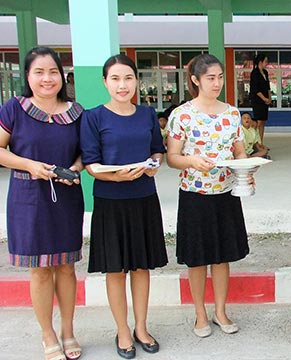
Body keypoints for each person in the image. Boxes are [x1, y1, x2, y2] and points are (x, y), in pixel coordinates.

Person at [81, 54, 167, 359]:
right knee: (116, 270)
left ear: (136, 81)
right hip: (110, 201)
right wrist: (115, 176)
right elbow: (90, 163)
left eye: (128, 78)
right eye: (115, 79)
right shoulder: (93, 117)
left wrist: (154, 165)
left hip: (144, 197)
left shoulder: (146, 114)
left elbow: (157, 151)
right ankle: (122, 330)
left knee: (141, 267)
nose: (122, 85)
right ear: (105, 82)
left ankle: (141, 327)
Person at [0, 47, 84, 360]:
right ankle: (47, 334)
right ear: (28, 76)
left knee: (65, 266)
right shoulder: (14, 109)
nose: (47, 79)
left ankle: (68, 330)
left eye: (53, 72)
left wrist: (75, 168)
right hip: (28, 197)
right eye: (39, 72)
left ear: (62, 76)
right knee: (40, 270)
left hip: (65, 196)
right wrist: (29, 165)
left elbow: (84, 152)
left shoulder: (76, 112)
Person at [166, 54, 250, 339]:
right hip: (195, 195)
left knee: (223, 256)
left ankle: (221, 310)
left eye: (220, 77)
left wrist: (246, 167)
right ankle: (200, 313)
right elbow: (172, 157)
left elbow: (239, 150)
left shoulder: (232, 114)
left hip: (226, 193)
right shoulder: (183, 115)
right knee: (198, 258)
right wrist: (192, 161)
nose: (216, 83)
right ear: (195, 80)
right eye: (210, 78)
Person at [250, 53, 271, 144]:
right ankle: (255, 143)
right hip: (257, 101)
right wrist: (264, 98)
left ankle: (261, 143)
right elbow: (255, 88)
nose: (267, 63)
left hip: (265, 101)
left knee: (262, 122)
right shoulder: (254, 73)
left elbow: (268, 87)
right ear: (260, 62)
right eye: (265, 61)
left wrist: (269, 98)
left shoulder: (265, 72)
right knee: (258, 122)